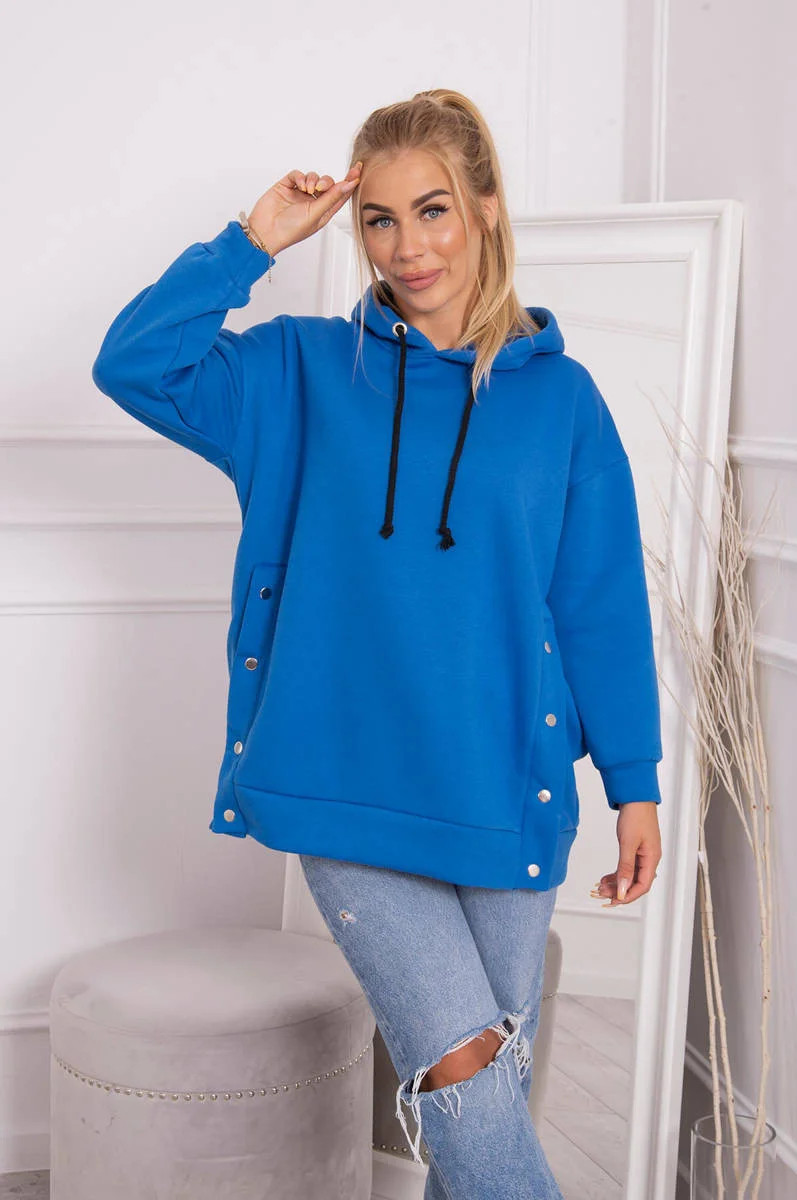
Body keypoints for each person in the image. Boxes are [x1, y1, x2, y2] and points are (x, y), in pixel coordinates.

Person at [92, 88, 663, 1199]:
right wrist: (253, 241)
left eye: (433, 210)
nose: (408, 248)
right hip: (342, 788)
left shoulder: (563, 401)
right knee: (470, 1091)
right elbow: (135, 364)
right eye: (380, 220)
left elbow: (598, 601)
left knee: (476, 1123)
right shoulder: (298, 374)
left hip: (503, 790)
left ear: (486, 208)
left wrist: (632, 781)